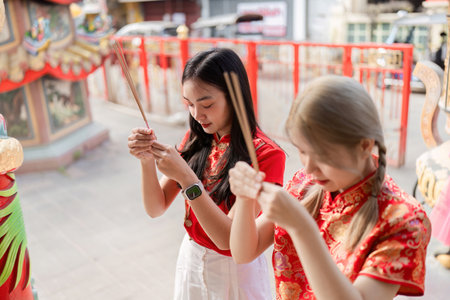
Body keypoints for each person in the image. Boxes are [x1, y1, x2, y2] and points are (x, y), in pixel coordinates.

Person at [229, 75, 431, 300]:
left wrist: (301, 228)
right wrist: (245, 197)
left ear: (364, 145)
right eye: (302, 151)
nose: (309, 167)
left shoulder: (404, 220)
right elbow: (243, 252)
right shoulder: (304, 183)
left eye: (322, 155)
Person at [127, 48, 286, 299]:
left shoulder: (265, 155)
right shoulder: (196, 139)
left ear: (234, 97)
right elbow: (155, 207)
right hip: (191, 257)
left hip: (234, 271)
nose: (197, 115)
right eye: (189, 104)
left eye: (207, 104)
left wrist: (188, 179)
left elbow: (228, 240)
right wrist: (146, 159)